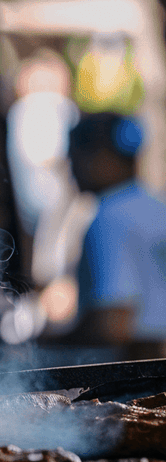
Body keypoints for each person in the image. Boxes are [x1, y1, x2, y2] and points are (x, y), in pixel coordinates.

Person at [67, 112, 166, 350]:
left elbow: (115, 321)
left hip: (140, 370)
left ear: (102, 158)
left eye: (75, 158)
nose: (72, 170)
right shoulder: (157, 207)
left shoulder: (109, 218)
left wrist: (45, 344)